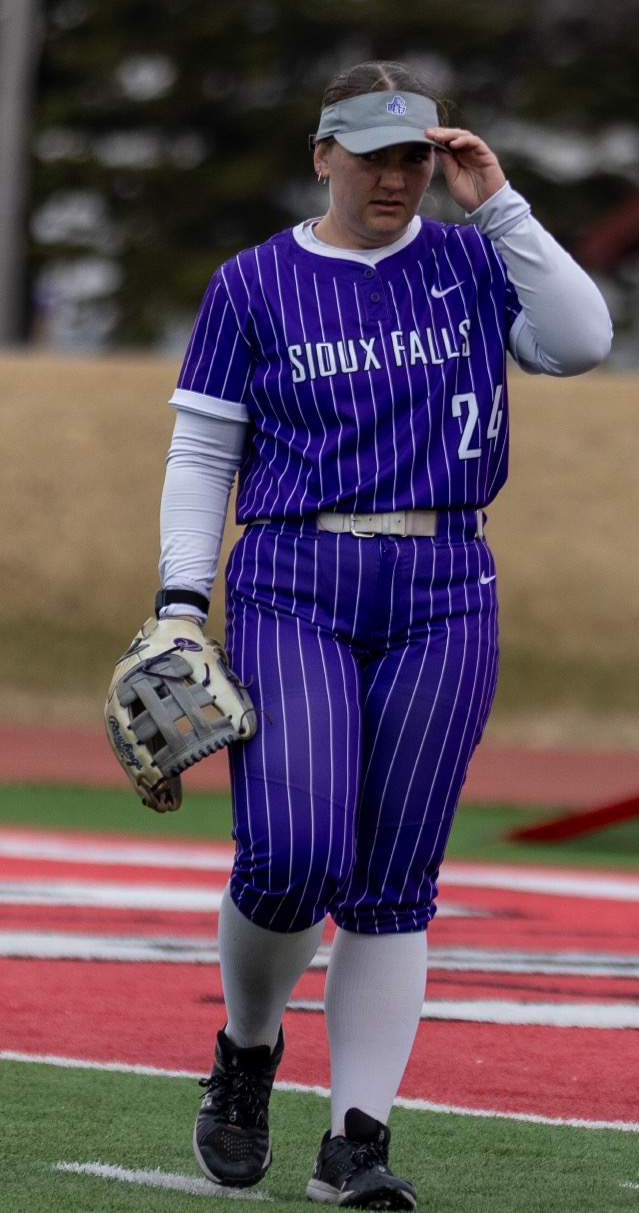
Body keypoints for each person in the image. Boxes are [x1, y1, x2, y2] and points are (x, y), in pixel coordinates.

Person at [152, 61, 612, 1206]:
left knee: (395, 880)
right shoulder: (255, 282)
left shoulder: (467, 256)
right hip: (294, 570)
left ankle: (357, 1141)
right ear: (323, 156)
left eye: (414, 156)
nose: (396, 178)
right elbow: (206, 452)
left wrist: (496, 201)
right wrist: (177, 601)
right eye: (371, 156)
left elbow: (584, 339)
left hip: (445, 575)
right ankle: (248, 1050)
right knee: (294, 852)